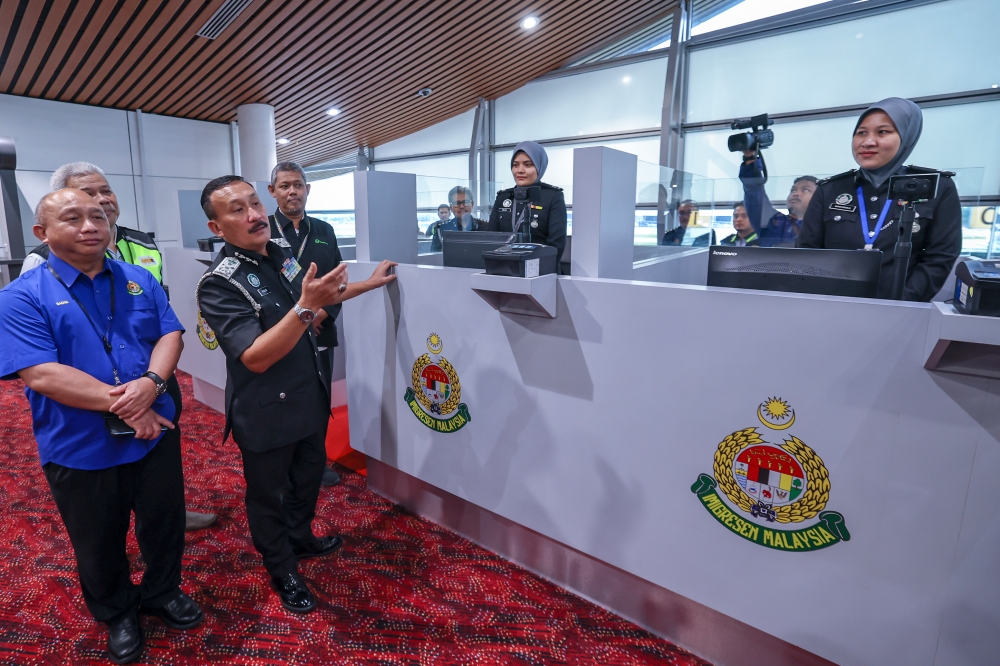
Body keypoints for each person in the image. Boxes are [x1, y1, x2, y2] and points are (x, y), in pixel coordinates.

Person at [0, 189, 202, 664]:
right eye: (72, 218)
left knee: (164, 523)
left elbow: (170, 333)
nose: (90, 225)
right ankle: (116, 612)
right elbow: (42, 374)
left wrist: (152, 383)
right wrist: (135, 406)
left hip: (155, 436)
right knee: (98, 538)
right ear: (42, 233)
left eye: (98, 216)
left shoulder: (137, 279)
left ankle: (161, 592)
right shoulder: (21, 296)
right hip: (80, 442)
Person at [196, 175, 396, 614]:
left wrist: (368, 285)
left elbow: (320, 298)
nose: (253, 214)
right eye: (237, 209)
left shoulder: (280, 253)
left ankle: (301, 537)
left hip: (308, 395)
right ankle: (282, 567)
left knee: (307, 479)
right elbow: (254, 357)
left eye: (253, 203)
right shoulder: (219, 282)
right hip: (266, 409)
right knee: (268, 495)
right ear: (216, 228)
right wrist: (306, 308)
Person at [23, 162, 217, 532]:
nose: (100, 202)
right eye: (86, 196)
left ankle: (167, 514)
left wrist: (152, 383)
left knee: (160, 475)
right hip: (86, 391)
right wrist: (128, 402)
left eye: (104, 193)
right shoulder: (39, 264)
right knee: (100, 510)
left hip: (153, 376)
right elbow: (41, 353)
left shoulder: (142, 244)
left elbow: (164, 319)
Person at [797, 97, 962, 301]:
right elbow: (806, 253)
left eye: (882, 132)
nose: (868, 141)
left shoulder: (936, 187)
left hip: (901, 313)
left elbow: (940, 258)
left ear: (906, 136)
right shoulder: (829, 189)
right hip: (830, 307)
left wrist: (900, 304)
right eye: (861, 133)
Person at [267, 161, 345, 488]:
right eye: (284, 186)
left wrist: (320, 314)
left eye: (298, 185)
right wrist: (298, 319)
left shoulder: (324, 230)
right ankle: (283, 466)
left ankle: (316, 462)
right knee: (284, 401)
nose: (292, 191)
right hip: (280, 333)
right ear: (272, 191)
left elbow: (338, 280)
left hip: (320, 329)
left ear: (307, 189)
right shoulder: (262, 229)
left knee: (318, 398)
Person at [487, 142, 567, 263]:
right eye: (515, 165)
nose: (520, 170)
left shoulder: (552, 196)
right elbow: (491, 239)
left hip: (540, 272)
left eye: (527, 165)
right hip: (503, 270)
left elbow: (556, 245)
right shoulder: (503, 198)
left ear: (540, 166)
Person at [739, 151, 817, 247]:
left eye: (805, 190)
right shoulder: (773, 222)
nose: (796, 193)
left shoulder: (825, 227)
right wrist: (750, 157)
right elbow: (754, 192)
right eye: (793, 190)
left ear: (819, 198)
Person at [427, 186, 488, 251]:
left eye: (465, 202)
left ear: (472, 204)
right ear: (451, 208)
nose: (461, 206)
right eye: (457, 203)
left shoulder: (485, 227)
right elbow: (435, 257)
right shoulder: (442, 229)